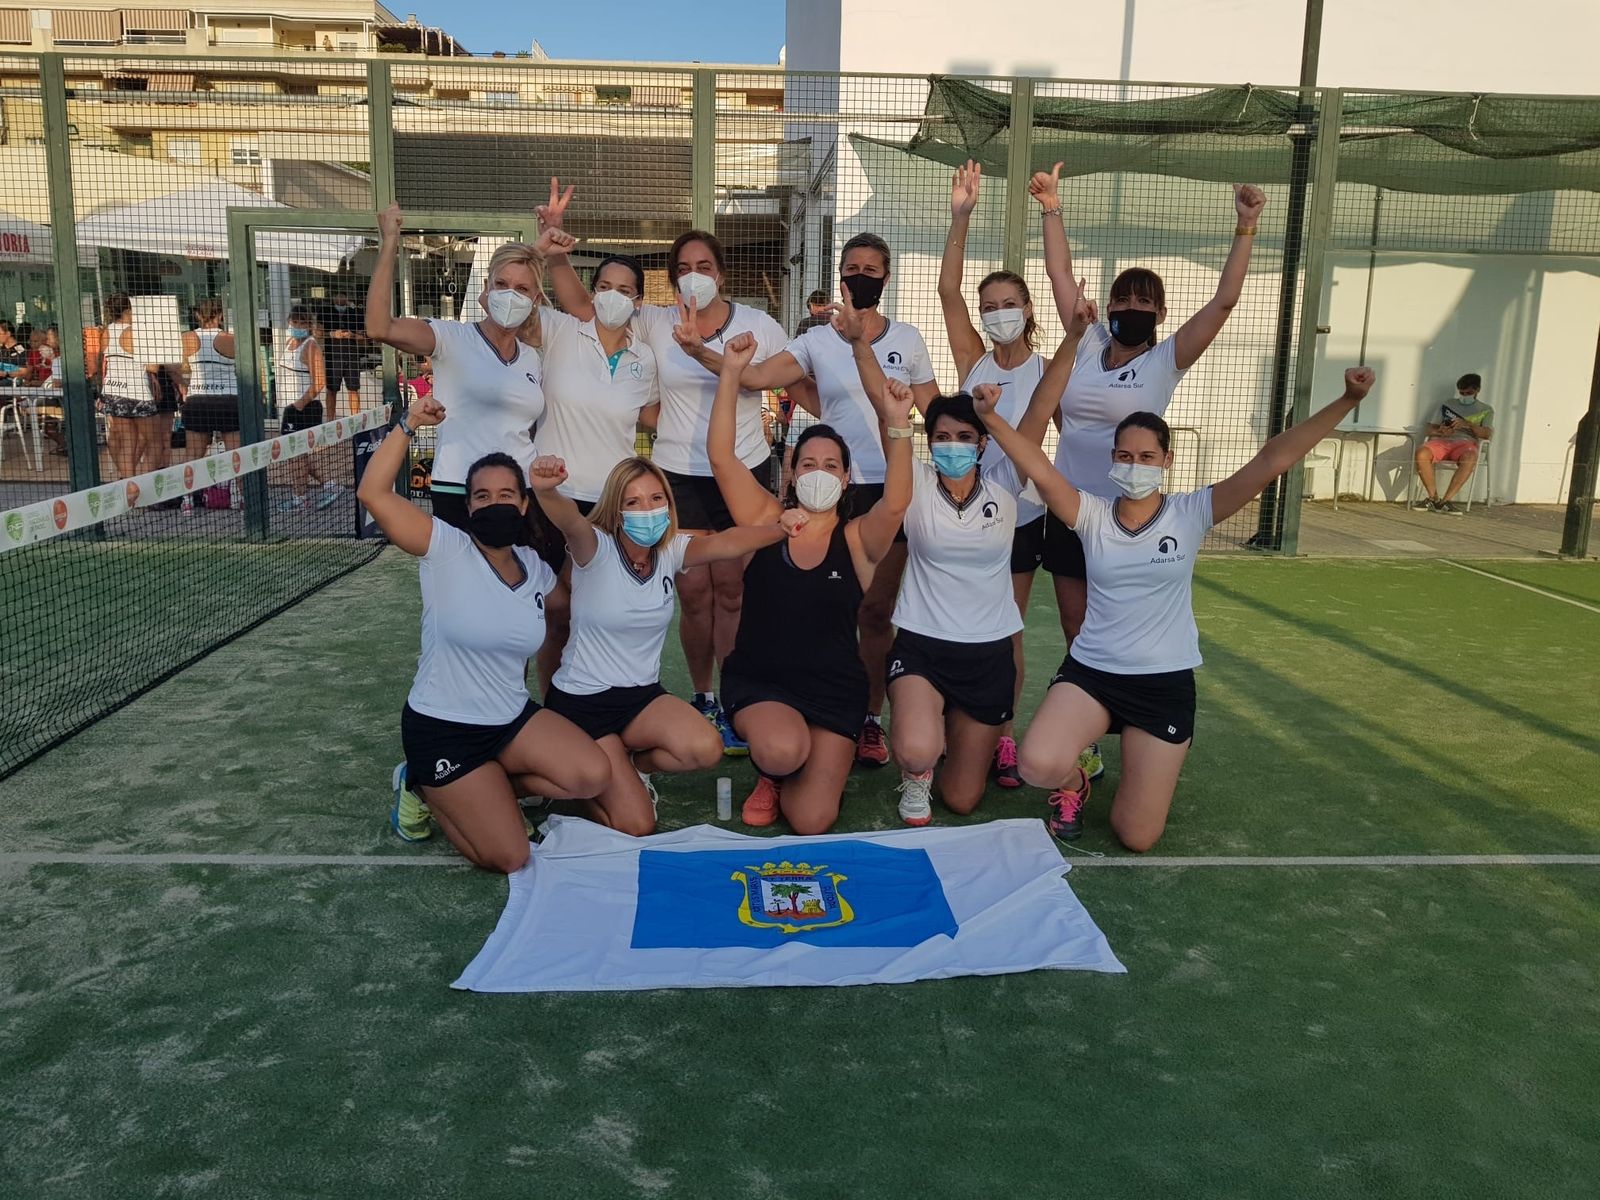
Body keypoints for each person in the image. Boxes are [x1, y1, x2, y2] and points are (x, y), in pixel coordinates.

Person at [980, 365, 1378, 850]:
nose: (1135, 465)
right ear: (1112, 460)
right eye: (1125, 455)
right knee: (1036, 764)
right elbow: (1040, 468)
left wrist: (1347, 400)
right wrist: (991, 418)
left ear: (1167, 460)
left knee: (1137, 835)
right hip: (1092, 674)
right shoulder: (1090, 514)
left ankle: (1145, 765)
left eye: (1147, 456)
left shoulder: (1190, 513)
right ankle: (1073, 784)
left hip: (1162, 685)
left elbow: (1272, 460)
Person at [538, 177, 788, 756]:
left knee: (734, 591)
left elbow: (779, 378)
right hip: (678, 472)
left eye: (704, 266)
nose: (693, 276)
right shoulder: (652, 321)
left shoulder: (759, 325)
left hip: (743, 470)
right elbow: (584, 306)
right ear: (673, 279)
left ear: (721, 274)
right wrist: (555, 252)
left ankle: (736, 698)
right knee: (694, 590)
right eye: (683, 268)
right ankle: (703, 696)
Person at [1036, 163, 1268, 787]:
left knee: (1127, 630)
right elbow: (1060, 274)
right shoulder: (1085, 342)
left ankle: (1143, 726)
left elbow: (1224, 302)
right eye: (1123, 299)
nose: (1132, 308)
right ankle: (1085, 745)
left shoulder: (1166, 360)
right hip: (1071, 511)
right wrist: (1052, 205)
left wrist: (1245, 226)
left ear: (1160, 313)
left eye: (1145, 302)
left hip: (1130, 519)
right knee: (1077, 630)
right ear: (1109, 305)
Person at [679, 234, 940, 769]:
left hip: (886, 484)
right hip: (827, 484)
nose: (860, 276)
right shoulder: (817, 340)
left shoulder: (909, 340)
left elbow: (933, 413)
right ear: (840, 275)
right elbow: (753, 376)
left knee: (875, 611)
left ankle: (868, 718)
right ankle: (785, 704)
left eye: (871, 269)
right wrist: (700, 351)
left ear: (886, 278)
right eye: (852, 268)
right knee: (807, 602)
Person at [355, 394, 611, 870]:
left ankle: (482, 787)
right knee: (509, 856)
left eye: (507, 495)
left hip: (510, 720)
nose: (495, 503)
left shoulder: (534, 567)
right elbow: (373, 494)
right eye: (482, 496)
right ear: (469, 507)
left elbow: (572, 599)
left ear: (524, 504)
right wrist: (409, 424)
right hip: (443, 727)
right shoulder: (444, 547)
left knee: (591, 775)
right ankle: (421, 784)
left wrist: (584, 526)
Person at [852, 308, 1084, 825]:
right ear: (929, 442)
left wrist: (1073, 337)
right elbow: (883, 404)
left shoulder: (1005, 482)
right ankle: (918, 767)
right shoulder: (913, 481)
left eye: (963, 436)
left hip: (988, 652)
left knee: (961, 798)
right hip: (921, 645)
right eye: (941, 437)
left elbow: (1041, 406)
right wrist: (860, 346)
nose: (951, 445)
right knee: (917, 750)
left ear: (982, 443)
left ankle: (957, 736)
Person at [704, 327, 914, 833]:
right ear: (793, 473)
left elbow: (896, 502)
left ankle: (795, 774)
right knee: (782, 749)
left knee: (812, 820)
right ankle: (772, 770)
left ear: (845, 478)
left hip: (833, 689)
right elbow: (722, 458)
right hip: (762, 681)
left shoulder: (859, 539)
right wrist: (731, 373)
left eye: (831, 465)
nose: (819, 472)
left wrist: (898, 425)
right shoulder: (765, 519)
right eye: (809, 464)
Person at [531, 454, 805, 835]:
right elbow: (569, 520)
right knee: (637, 824)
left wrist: (780, 529)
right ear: (617, 511)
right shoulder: (594, 547)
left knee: (706, 747)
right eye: (633, 501)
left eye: (656, 498)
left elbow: (727, 542)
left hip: (641, 699)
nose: (648, 509)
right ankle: (579, 784)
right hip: (583, 703)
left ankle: (630, 766)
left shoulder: (670, 550)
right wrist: (546, 490)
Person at [939, 157, 1056, 790]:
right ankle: (953, 727)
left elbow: (1074, 434)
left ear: (1028, 309)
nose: (997, 313)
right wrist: (961, 216)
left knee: (1006, 629)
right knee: (952, 622)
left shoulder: (1047, 371)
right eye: (990, 307)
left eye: (1009, 304)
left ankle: (1003, 737)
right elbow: (947, 291)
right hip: (959, 514)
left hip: (1021, 519)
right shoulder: (972, 358)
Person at [365, 204, 558, 566]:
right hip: (460, 489)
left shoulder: (532, 356)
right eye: (501, 285)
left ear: (534, 299)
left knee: (527, 586)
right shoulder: (450, 338)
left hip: (522, 493)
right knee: (464, 584)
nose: (510, 295)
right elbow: (379, 327)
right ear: (486, 289)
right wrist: (389, 240)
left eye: (521, 289)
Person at [526, 238, 662, 690]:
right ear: (592, 292)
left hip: (608, 505)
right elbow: (504, 301)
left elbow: (656, 415)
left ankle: (596, 698)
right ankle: (547, 703)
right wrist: (543, 251)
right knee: (550, 610)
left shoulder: (645, 359)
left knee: (596, 611)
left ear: (637, 302)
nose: (612, 297)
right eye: (604, 287)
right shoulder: (559, 329)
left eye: (624, 290)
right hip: (550, 496)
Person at [275, 306, 341, 512]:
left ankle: (300, 497)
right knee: (297, 455)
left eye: (302, 323)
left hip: (303, 408)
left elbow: (319, 382)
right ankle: (330, 485)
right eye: (295, 322)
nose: (298, 326)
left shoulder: (311, 346)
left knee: (295, 455)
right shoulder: (289, 343)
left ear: (309, 325)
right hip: (287, 408)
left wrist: (298, 405)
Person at [97, 295, 166, 486]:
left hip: (114, 391)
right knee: (156, 442)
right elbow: (153, 367)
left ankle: (128, 486)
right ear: (128, 311)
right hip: (137, 393)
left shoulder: (106, 331)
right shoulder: (137, 332)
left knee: (127, 443)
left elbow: (104, 361)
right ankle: (142, 485)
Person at [1413, 373, 1492, 514]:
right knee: (1421, 453)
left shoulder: (1485, 409)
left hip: (1465, 443)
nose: (1465, 396)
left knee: (1470, 458)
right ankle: (1433, 498)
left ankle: (1446, 501)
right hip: (1443, 441)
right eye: (1462, 393)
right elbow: (1429, 428)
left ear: (1477, 390)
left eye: (1469, 393)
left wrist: (1468, 424)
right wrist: (1440, 431)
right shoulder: (1448, 404)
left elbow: (1486, 434)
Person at [180, 298, 240, 459]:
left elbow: (180, 368)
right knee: (236, 457)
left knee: (193, 458)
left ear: (198, 315)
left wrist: (183, 384)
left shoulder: (186, 338)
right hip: (228, 399)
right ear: (220, 316)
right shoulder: (231, 339)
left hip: (198, 399)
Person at [322, 289, 368, 417]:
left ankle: (356, 419)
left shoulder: (355, 313)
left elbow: (363, 337)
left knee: (353, 389)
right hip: (332, 357)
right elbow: (317, 333)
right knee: (331, 390)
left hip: (351, 356)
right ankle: (330, 420)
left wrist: (352, 335)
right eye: (337, 295)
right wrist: (332, 334)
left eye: (343, 295)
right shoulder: (325, 312)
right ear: (333, 297)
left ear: (346, 297)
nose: (340, 298)